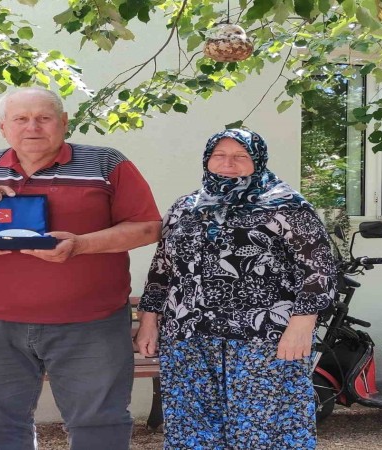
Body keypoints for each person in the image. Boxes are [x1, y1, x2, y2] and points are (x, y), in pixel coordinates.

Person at [0, 87, 162, 450]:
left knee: (99, 424)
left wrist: (81, 244)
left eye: (44, 118)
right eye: (20, 119)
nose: (33, 127)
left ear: (64, 122)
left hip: (90, 323)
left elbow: (147, 228)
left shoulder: (106, 164)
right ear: (2, 127)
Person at [135, 128, 337, 449]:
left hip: (263, 336)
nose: (228, 163)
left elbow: (319, 269)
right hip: (189, 334)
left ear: (257, 160)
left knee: (261, 425)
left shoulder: (287, 206)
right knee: (192, 426)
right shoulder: (185, 207)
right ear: (207, 159)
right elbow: (162, 268)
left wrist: (302, 325)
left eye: (240, 156)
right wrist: (148, 320)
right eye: (219, 155)